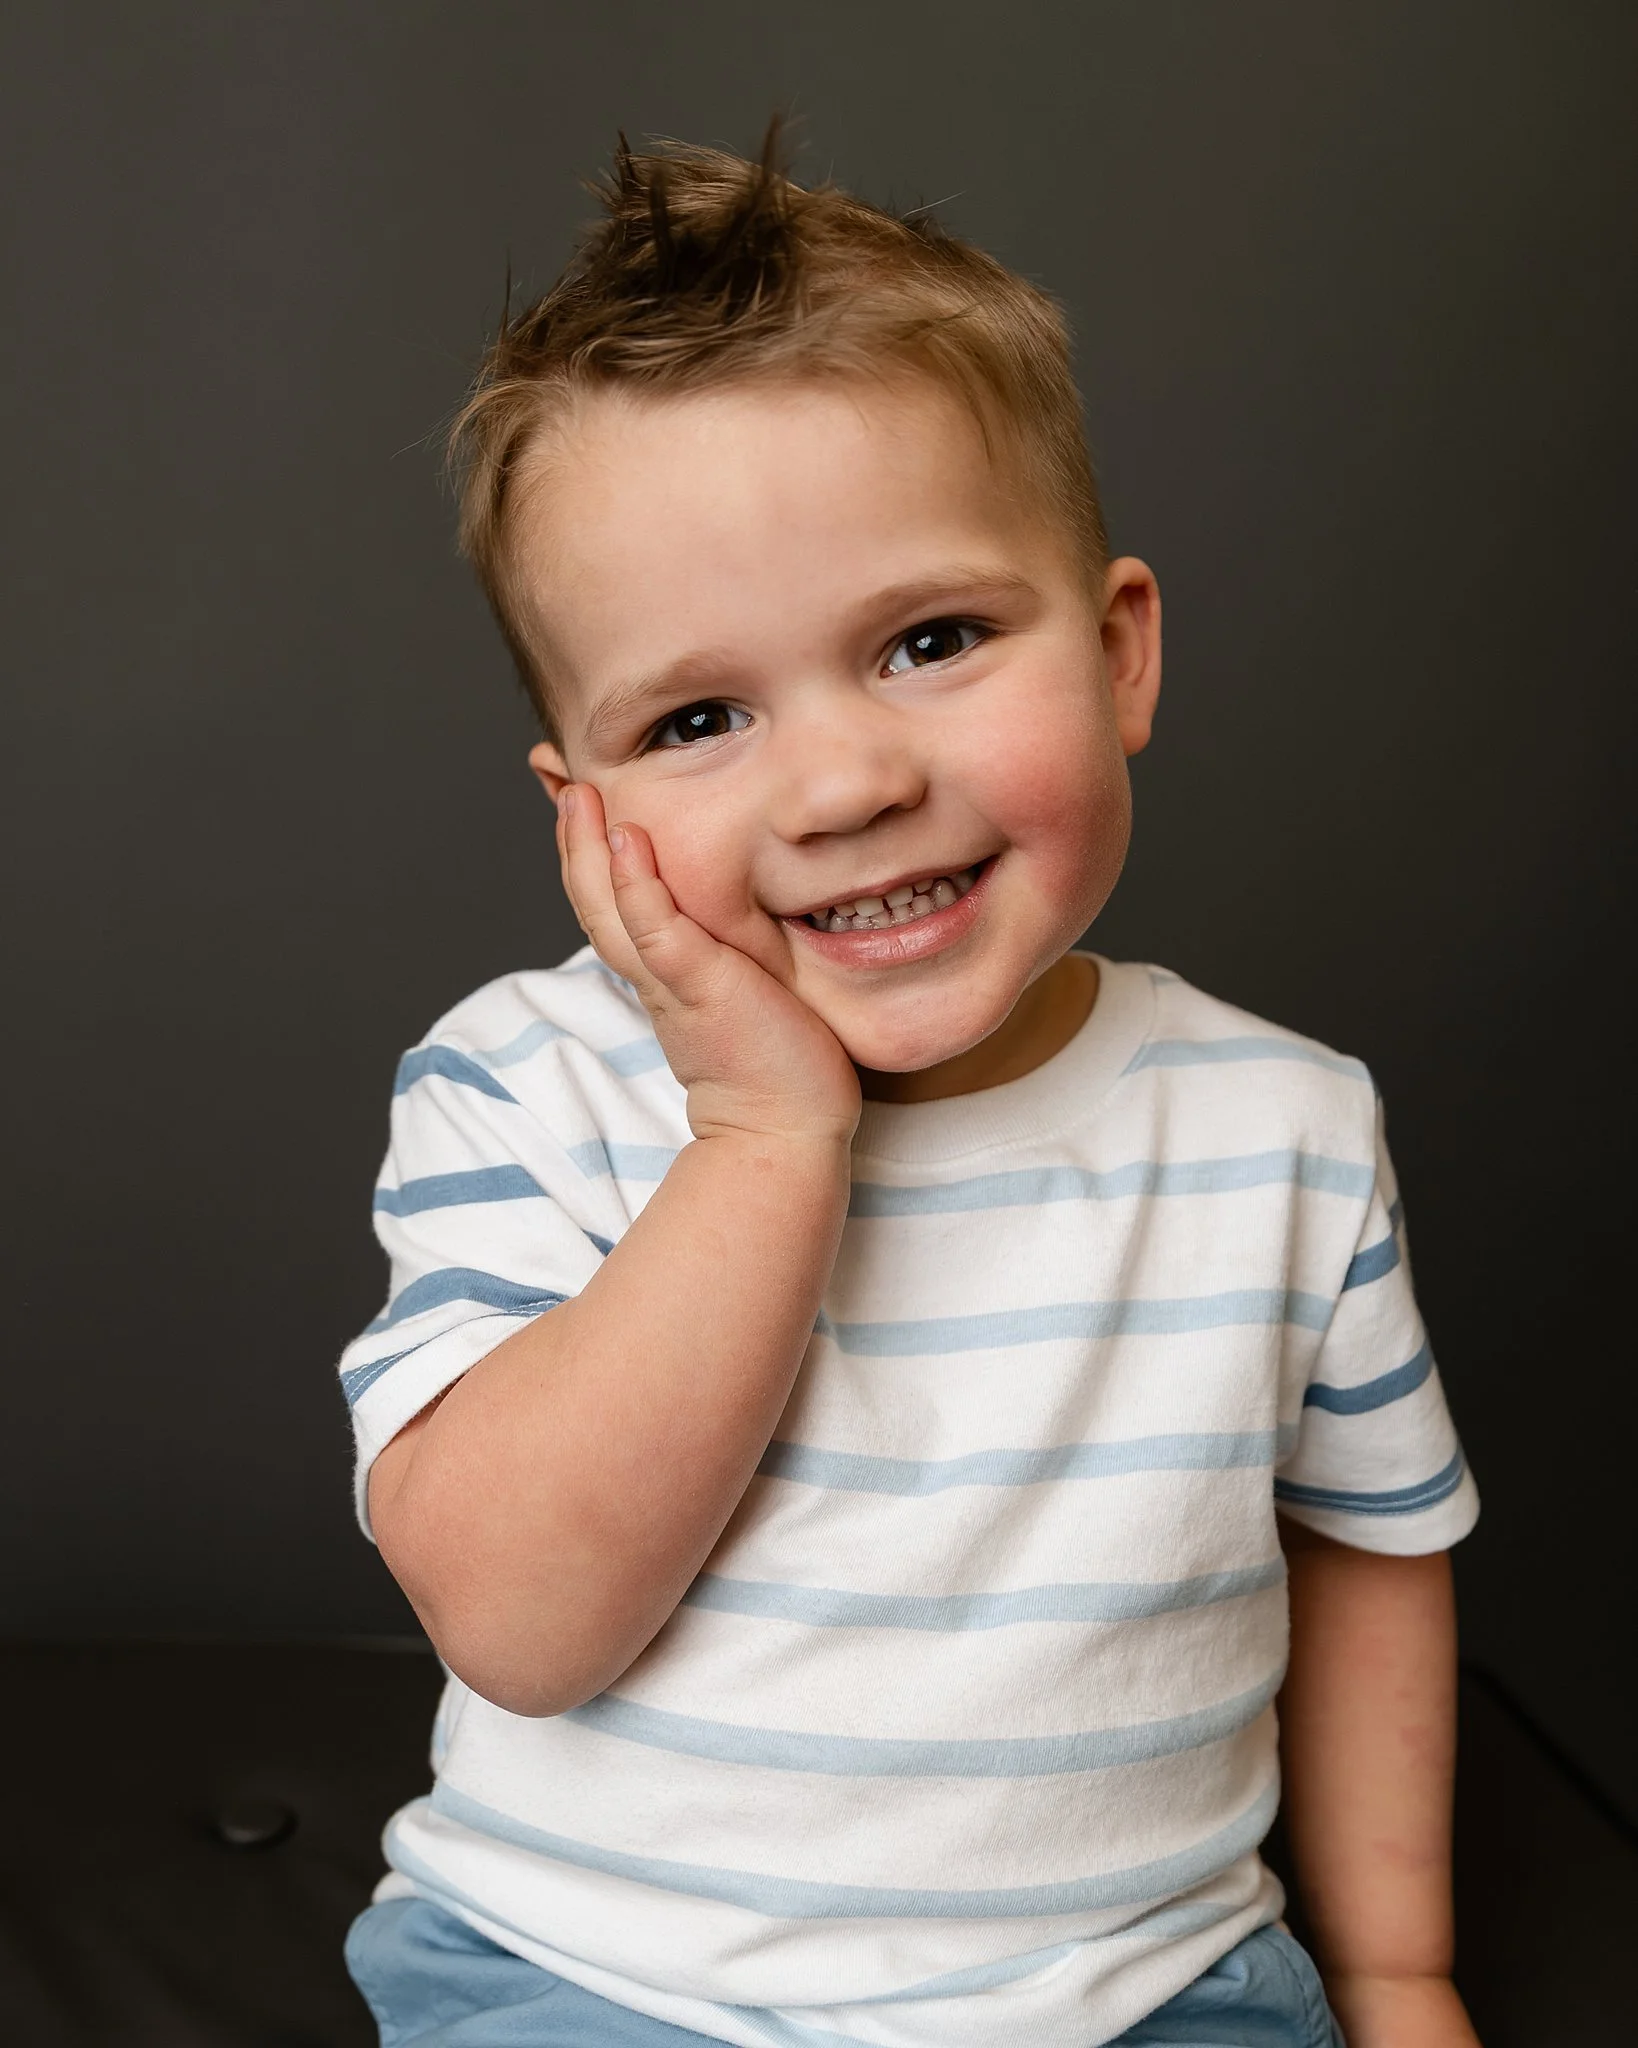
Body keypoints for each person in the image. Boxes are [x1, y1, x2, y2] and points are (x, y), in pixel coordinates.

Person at [337, 125, 1481, 2048]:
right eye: (698, 718)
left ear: (1118, 653)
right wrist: (764, 1131)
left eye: (931, 642)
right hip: (609, 1986)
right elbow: (525, 1630)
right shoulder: (520, 1090)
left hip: (1144, 1986)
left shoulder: (1279, 1127)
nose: (847, 782)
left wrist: (1394, 1971)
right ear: (584, 813)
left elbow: (1363, 1550)